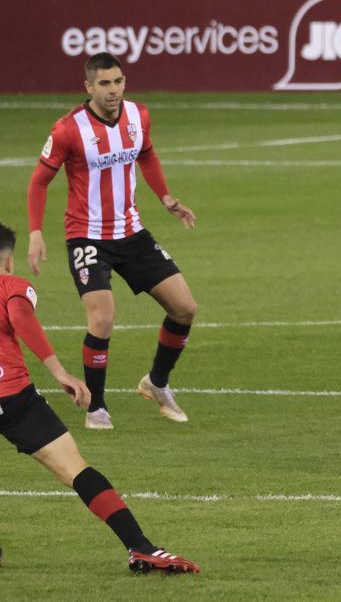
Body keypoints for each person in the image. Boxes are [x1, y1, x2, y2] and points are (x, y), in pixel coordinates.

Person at [0, 223, 198, 573]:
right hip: (13, 397)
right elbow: (20, 317)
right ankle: (140, 547)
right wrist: (59, 371)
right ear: (9, 260)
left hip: (14, 397)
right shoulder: (12, 286)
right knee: (77, 470)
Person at [26, 52, 198, 430]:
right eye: (104, 83)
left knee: (185, 307)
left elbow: (147, 154)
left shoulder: (139, 116)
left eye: (118, 81)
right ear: (88, 87)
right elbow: (39, 181)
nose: (113, 90)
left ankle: (156, 382)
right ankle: (97, 408)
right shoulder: (68, 130)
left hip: (131, 232)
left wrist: (166, 198)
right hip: (87, 237)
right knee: (102, 320)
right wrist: (36, 232)